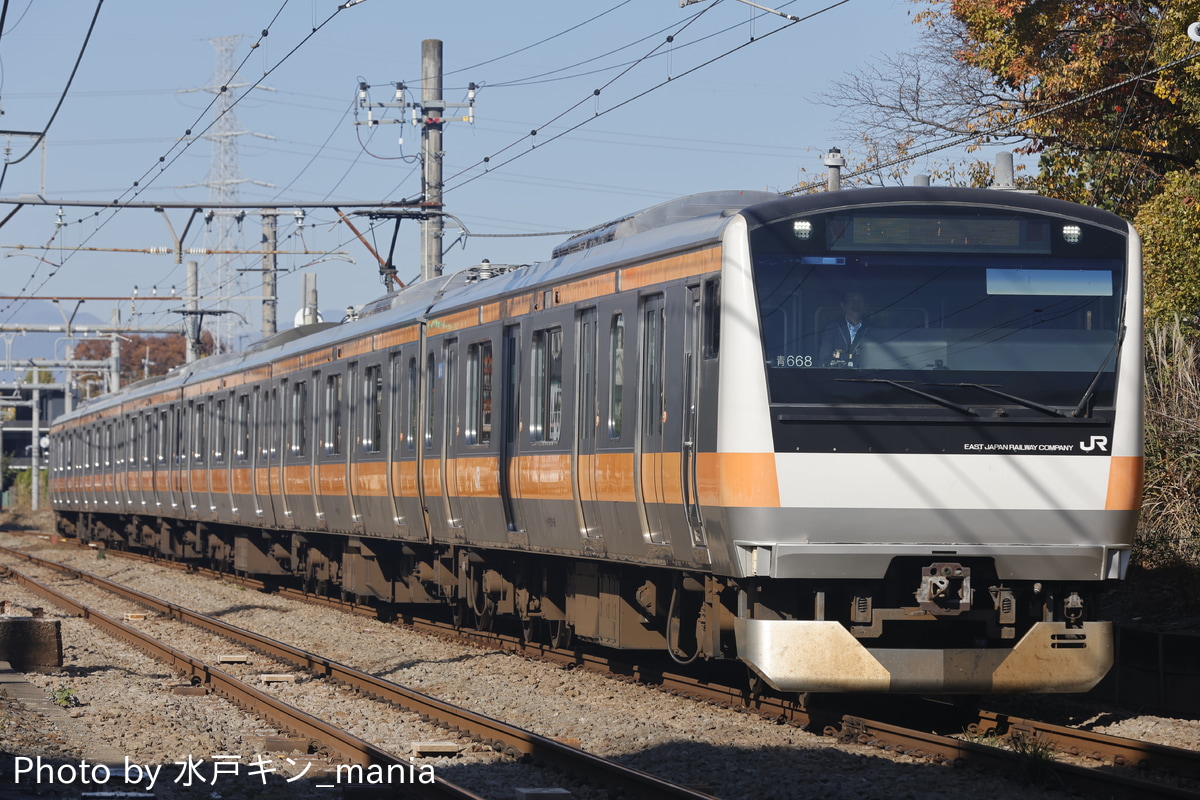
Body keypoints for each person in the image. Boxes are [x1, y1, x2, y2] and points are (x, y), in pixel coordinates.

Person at [818, 290, 868, 367]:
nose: (856, 303)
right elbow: (823, 361)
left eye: (859, 300)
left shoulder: (872, 329)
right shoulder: (832, 329)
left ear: (864, 306)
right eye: (852, 300)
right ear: (843, 306)